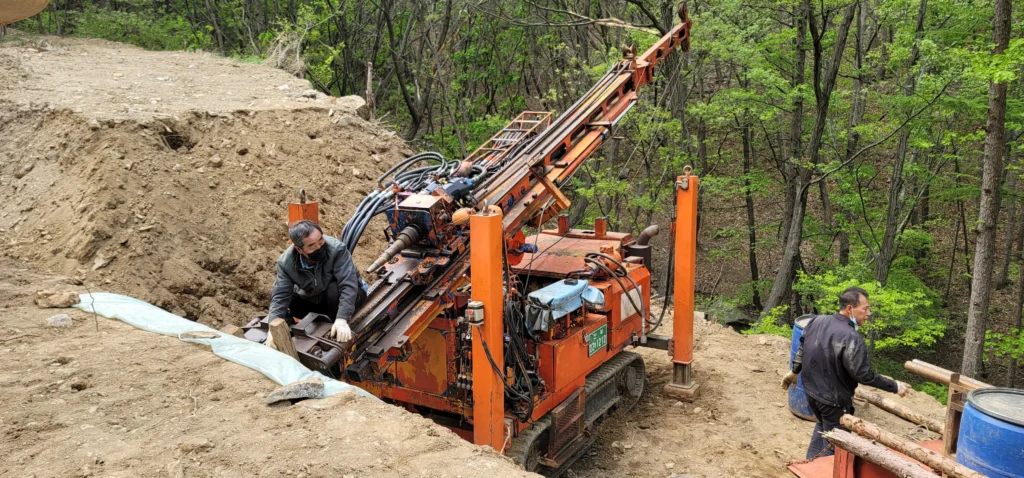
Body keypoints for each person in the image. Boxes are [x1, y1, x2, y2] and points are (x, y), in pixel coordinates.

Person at [781, 286, 909, 459]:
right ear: (850, 309)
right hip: (833, 400)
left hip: (811, 393)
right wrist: (894, 386)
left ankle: (810, 465)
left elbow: (802, 346)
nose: (869, 313)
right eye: (865, 309)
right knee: (836, 446)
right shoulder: (851, 337)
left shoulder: (818, 320)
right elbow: (863, 374)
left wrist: (795, 371)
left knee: (823, 427)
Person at [266, 220, 365, 343]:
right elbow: (280, 296)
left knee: (334, 290)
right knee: (277, 293)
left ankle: (334, 328)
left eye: (321, 240)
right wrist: (273, 328)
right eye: (312, 245)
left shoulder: (337, 250)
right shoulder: (286, 263)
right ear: (299, 249)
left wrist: (342, 318)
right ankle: (289, 332)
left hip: (346, 298)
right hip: (315, 301)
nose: (319, 247)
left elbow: (348, 284)